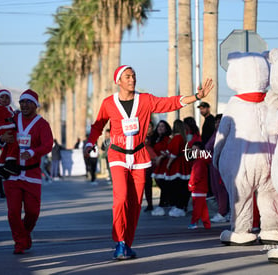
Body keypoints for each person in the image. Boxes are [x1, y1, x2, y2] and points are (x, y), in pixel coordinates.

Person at [83, 65, 213, 260]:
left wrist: (196, 96)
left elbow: (169, 103)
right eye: (127, 77)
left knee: (135, 204)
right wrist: (90, 143)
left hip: (139, 158)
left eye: (134, 76)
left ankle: (127, 243)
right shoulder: (109, 103)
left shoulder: (144, 100)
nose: (132, 79)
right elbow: (98, 125)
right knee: (120, 199)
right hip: (117, 156)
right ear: (118, 81)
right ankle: (119, 242)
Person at [0, 89, 53, 254]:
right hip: (12, 174)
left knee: (33, 212)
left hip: (32, 175)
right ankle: (20, 242)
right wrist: (1, 139)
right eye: (22, 102)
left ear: (35, 105)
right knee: (13, 212)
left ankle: (24, 235)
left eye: (28, 102)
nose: (24, 105)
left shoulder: (42, 124)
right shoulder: (12, 118)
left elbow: (48, 144)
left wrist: (32, 152)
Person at [204, 114, 229, 223]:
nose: (217, 124)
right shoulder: (215, 134)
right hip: (212, 164)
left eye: (220, 122)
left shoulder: (225, 135)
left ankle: (223, 212)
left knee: (221, 188)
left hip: (221, 164)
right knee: (215, 189)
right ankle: (222, 211)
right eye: (216, 122)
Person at [165, 119, 192, 217]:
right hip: (183, 164)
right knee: (182, 186)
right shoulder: (182, 138)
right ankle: (182, 206)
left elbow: (174, 153)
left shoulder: (177, 138)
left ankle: (179, 206)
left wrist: (168, 164)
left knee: (177, 186)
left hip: (177, 165)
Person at [0, 88, 20, 179]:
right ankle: (10, 163)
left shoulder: (8, 108)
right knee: (14, 144)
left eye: (7, 98)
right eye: (2, 97)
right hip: (5, 129)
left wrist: (15, 114)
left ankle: (0, 168)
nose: (4, 99)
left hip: (7, 128)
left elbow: (11, 115)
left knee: (7, 149)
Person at [187, 142, 212, 230]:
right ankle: (207, 224)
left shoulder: (199, 162)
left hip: (198, 188)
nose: (193, 151)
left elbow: (196, 175)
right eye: (192, 149)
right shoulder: (200, 160)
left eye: (195, 149)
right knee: (203, 208)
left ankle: (194, 222)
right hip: (201, 188)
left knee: (197, 208)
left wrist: (191, 184)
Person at [151, 120, 172, 216]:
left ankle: (162, 205)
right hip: (157, 165)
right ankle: (166, 202)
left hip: (165, 165)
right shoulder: (155, 139)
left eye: (163, 126)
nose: (160, 128)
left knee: (164, 184)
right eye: (159, 126)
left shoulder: (168, 139)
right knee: (161, 183)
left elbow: (169, 150)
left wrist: (161, 156)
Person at [143, 121, 156, 212]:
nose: (148, 129)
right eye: (147, 127)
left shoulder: (155, 137)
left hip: (156, 161)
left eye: (150, 127)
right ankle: (149, 204)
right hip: (146, 162)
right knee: (147, 184)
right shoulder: (141, 137)